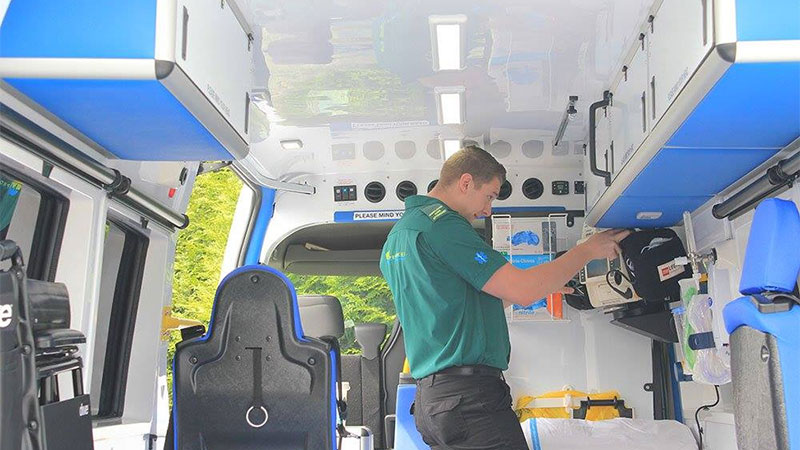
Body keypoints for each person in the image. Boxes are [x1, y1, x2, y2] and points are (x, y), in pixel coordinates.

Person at [379, 145, 630, 450]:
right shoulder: (442, 225)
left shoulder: (398, 237)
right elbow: (522, 290)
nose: (488, 210)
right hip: (469, 400)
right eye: (490, 196)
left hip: (433, 404)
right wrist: (588, 250)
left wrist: (545, 285)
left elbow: (459, 307)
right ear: (466, 182)